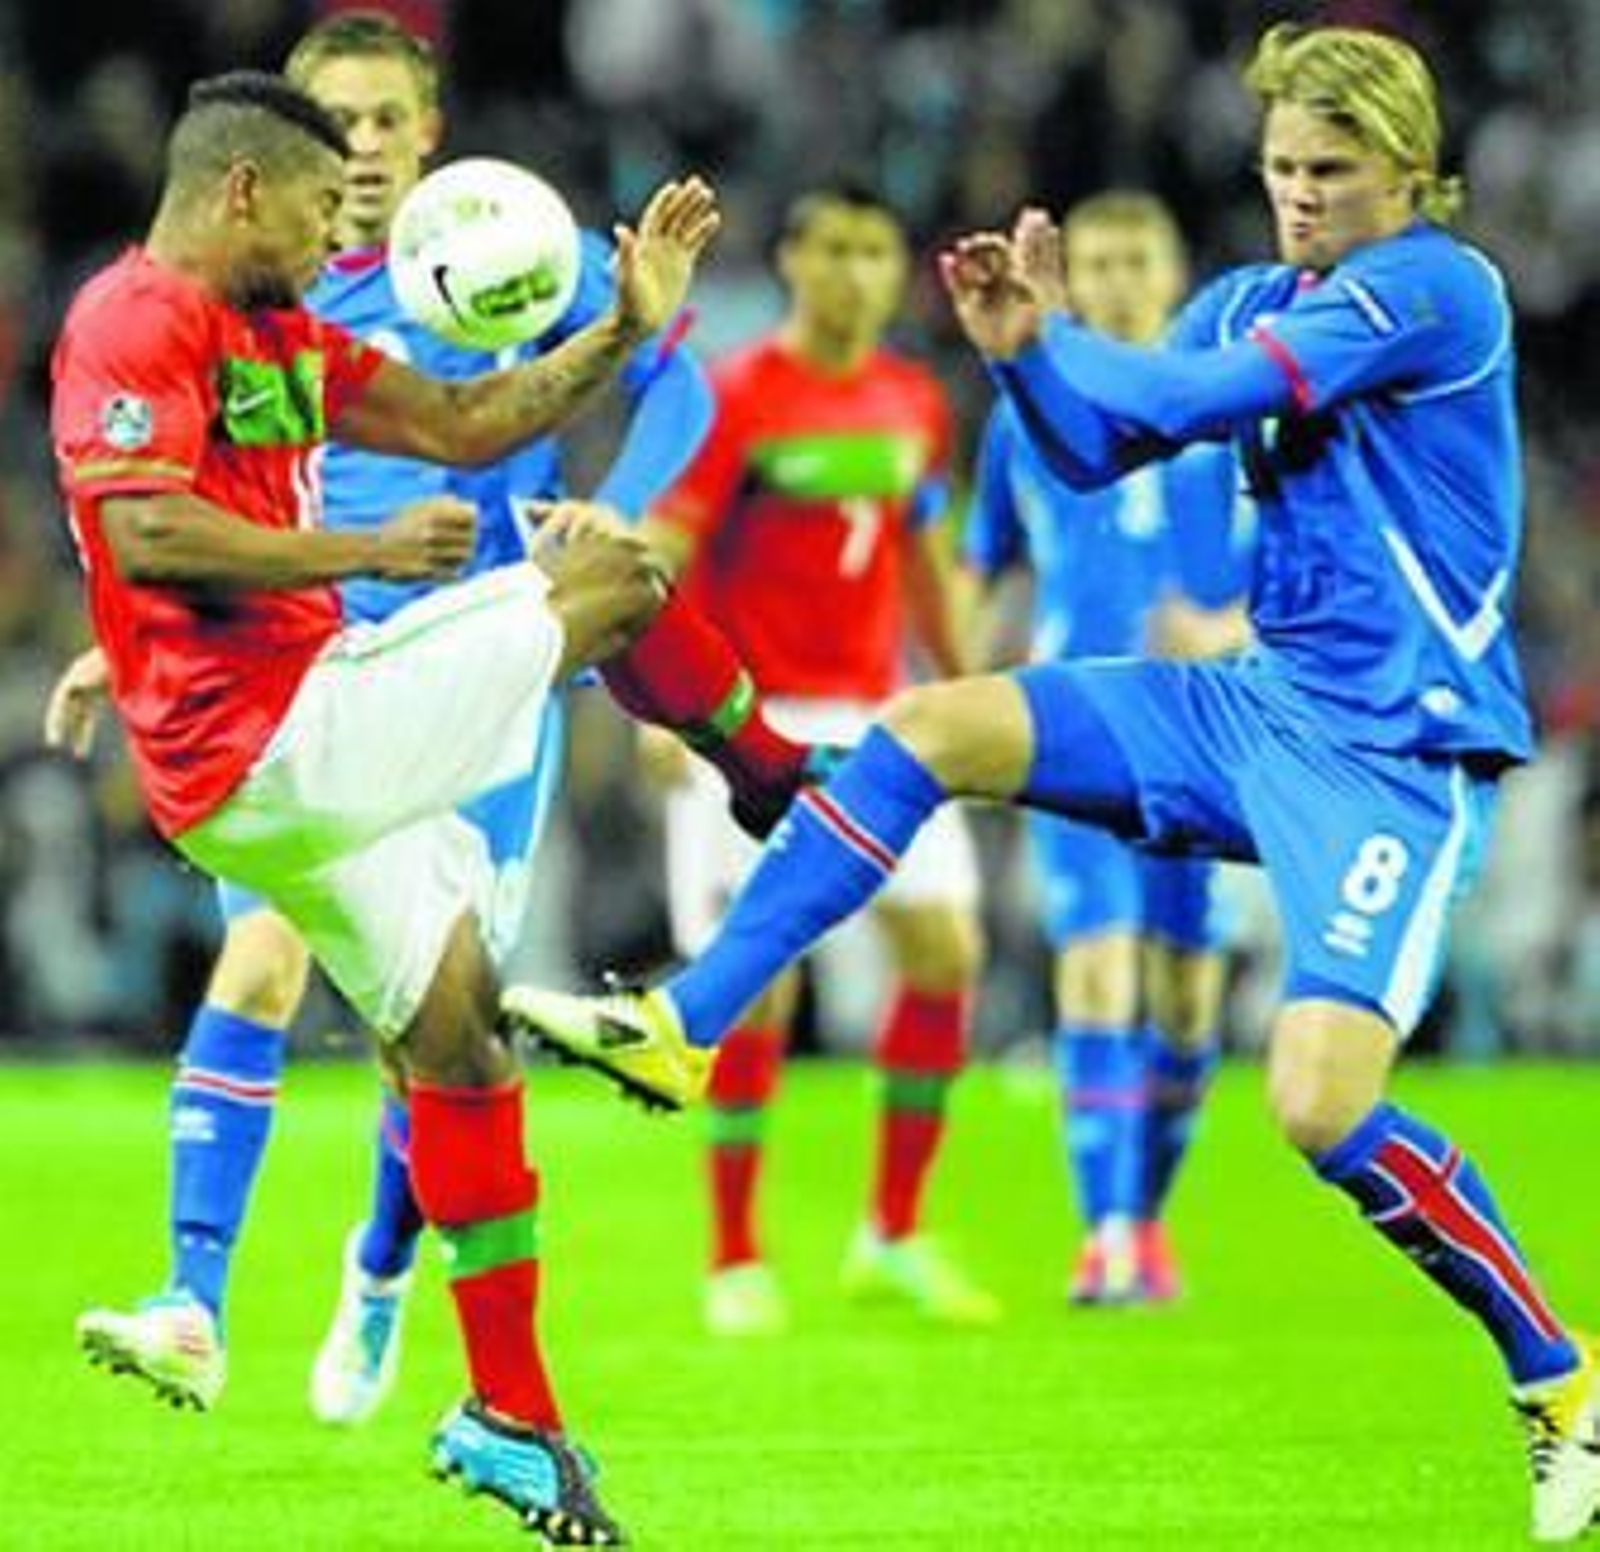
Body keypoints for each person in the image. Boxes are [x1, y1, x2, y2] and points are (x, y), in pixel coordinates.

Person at [503, 24, 1600, 1541]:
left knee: (1318, 1104)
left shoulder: (1436, 289)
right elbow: (1096, 451)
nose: (1297, 195)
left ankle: (1560, 1383)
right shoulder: (1250, 291)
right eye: (1281, 166)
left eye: (1331, 172)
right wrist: (1027, 356)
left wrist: (1054, 344)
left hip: (1390, 755)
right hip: (1249, 701)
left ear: (1411, 173)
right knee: (929, 728)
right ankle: (684, 1026)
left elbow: (1200, 397)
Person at [48, 64, 782, 1546]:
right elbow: (147, 533)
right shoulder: (135, 319)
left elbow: (463, 418)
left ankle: (511, 1417)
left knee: (461, 1048)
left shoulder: (274, 333)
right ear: (242, 190)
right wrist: (363, 547)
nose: (342, 238)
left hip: (278, 771)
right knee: (620, 582)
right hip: (281, 735)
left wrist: (623, 330)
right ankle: (796, 791)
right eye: (323, 208)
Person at [639, 182, 994, 1336]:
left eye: (874, 249)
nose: (852, 272)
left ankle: (892, 1229)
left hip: (887, 717)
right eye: (831, 247)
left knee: (944, 953)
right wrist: (657, 705)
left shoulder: (911, 399)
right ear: (791, 259)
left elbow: (926, 554)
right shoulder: (737, 395)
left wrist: (971, 679)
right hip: (749, 718)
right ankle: (732, 1253)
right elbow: (665, 551)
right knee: (758, 988)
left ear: (899, 268)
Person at [964, 190, 1253, 1305]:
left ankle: (1145, 1213)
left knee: (1185, 1000)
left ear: (1176, 272)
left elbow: (1309, 575)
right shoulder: (1027, 410)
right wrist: (958, 708)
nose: (1122, 278)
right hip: (1074, 726)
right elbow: (989, 564)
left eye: (1142, 256)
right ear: (1069, 277)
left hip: (1212, 733)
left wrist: (1227, 630)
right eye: (1101, 261)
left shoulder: (1230, 413)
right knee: (1094, 964)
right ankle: (1109, 1234)